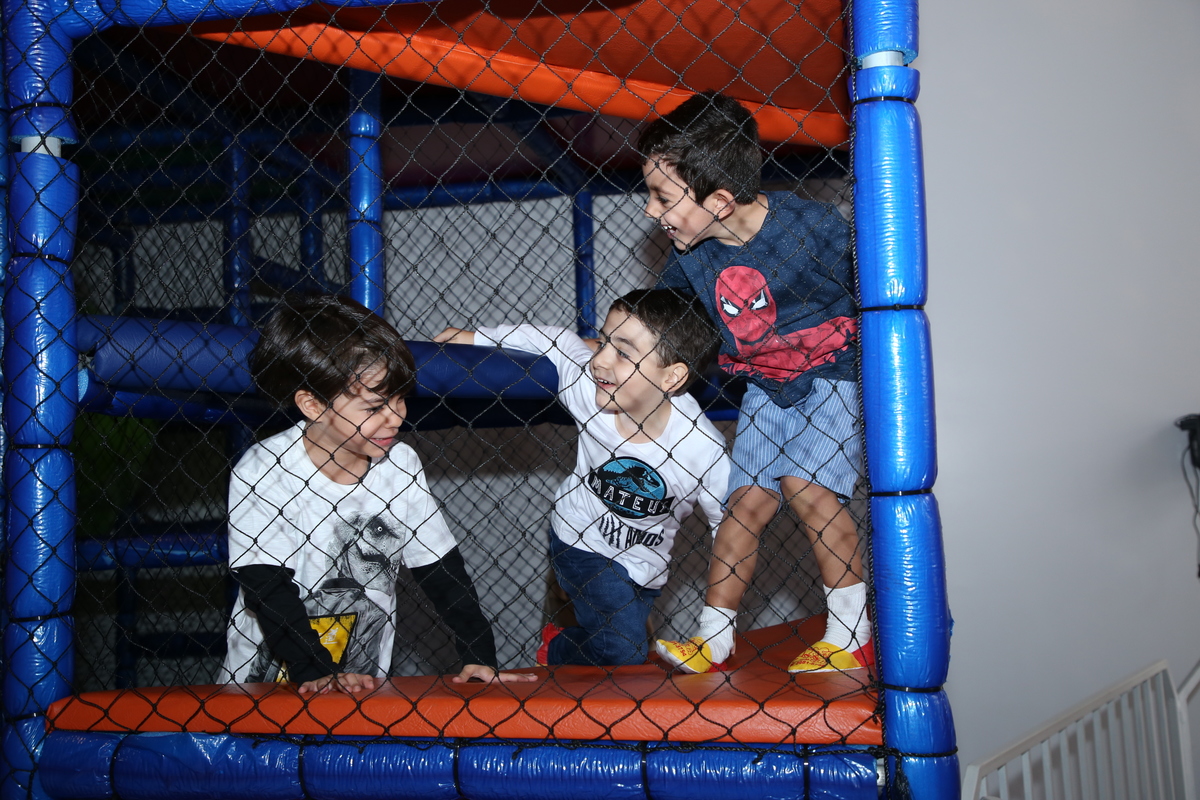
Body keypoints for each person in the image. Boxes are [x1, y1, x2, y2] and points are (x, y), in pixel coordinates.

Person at [639, 91, 871, 674]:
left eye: (662, 196)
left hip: (832, 376)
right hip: (765, 389)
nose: (650, 210)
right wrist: (612, 349)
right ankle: (713, 640)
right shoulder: (690, 258)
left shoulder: (811, 228)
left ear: (720, 200)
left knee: (806, 487)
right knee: (742, 506)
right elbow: (659, 321)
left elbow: (869, 290)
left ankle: (852, 633)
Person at [222, 294, 537, 694]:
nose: (396, 417)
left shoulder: (399, 463)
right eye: (374, 407)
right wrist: (315, 669)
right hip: (268, 687)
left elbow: (441, 570)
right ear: (313, 405)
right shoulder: (265, 468)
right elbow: (267, 587)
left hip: (365, 687)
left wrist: (479, 655)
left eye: (400, 398)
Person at [435, 289, 730, 667]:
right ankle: (556, 650)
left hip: (646, 563)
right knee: (624, 650)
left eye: (623, 353)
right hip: (580, 540)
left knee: (620, 650)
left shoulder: (702, 447)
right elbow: (558, 340)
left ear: (672, 377)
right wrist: (478, 337)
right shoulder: (587, 389)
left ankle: (577, 649)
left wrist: (720, 622)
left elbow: (729, 527)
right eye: (603, 343)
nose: (600, 360)